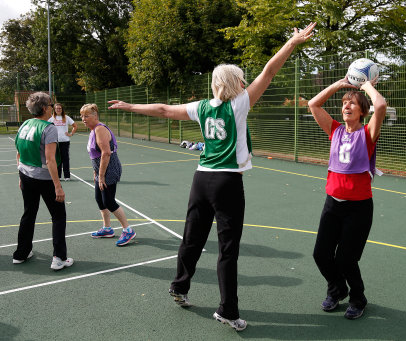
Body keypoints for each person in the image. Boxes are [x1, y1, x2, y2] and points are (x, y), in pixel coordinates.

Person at [107, 22, 316, 331]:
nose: (247, 82)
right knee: (227, 249)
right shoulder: (240, 103)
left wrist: (129, 106)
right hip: (227, 183)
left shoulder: (203, 107)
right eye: (243, 79)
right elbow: (270, 72)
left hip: (201, 180)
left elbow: (164, 110)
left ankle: (179, 287)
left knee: (192, 239)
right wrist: (292, 42)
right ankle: (228, 311)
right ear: (236, 83)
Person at [308, 75, 386, 319]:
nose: (346, 106)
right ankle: (337, 288)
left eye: (352, 103)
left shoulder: (367, 135)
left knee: (345, 259)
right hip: (332, 205)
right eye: (344, 103)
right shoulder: (335, 131)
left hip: (358, 208)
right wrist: (338, 85)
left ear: (362, 111)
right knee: (321, 254)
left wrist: (366, 87)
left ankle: (358, 298)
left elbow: (381, 106)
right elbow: (313, 104)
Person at [13, 92, 74, 270]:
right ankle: (59, 258)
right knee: (58, 216)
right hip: (44, 178)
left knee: (29, 213)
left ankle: (21, 253)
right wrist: (58, 187)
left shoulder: (25, 124)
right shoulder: (49, 128)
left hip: (26, 175)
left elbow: (18, 151)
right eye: (51, 104)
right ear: (46, 108)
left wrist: (20, 175)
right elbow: (50, 160)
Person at [80, 104, 135, 246]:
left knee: (109, 201)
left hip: (109, 169)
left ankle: (128, 230)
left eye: (86, 116)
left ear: (95, 116)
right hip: (101, 169)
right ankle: (107, 229)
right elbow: (96, 154)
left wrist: (102, 175)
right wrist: (96, 172)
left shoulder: (100, 129)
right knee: (99, 199)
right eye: (82, 116)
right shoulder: (93, 130)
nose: (83, 119)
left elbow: (106, 153)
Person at [48, 103, 78, 181]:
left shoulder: (66, 117)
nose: (58, 110)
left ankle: (67, 176)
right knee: (57, 159)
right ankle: (58, 176)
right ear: (54, 110)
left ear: (62, 109)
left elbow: (75, 126)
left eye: (60, 108)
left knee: (65, 159)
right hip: (55, 142)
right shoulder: (51, 118)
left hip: (65, 141)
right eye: (57, 108)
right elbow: (46, 127)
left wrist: (71, 134)